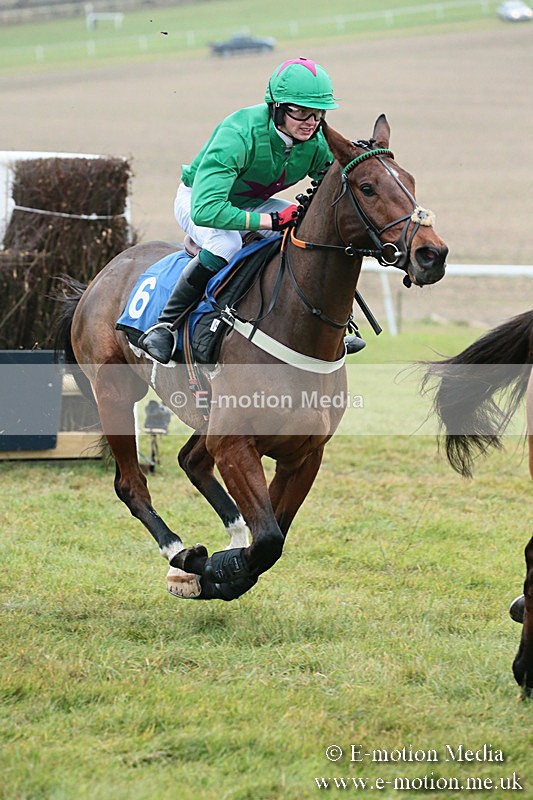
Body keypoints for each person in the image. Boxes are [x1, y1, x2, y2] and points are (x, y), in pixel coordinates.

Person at [138, 56, 366, 364]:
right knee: (226, 243)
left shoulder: (316, 141)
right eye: (300, 111)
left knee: (310, 230)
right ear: (277, 107)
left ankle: (334, 327)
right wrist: (270, 221)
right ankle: (164, 325)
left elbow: (334, 186)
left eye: (318, 112)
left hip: (251, 202)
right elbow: (207, 210)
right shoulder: (238, 134)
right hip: (199, 199)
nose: (311, 121)